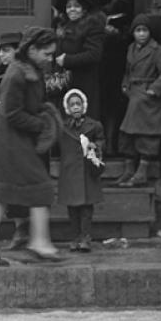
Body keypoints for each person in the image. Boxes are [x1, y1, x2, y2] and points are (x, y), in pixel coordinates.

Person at [0, 27, 62, 265]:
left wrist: (43, 112)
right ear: (32, 50)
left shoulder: (32, 70)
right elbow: (12, 114)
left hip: (13, 137)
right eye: (47, 53)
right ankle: (40, 242)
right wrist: (42, 124)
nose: (50, 58)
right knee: (40, 186)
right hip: (9, 139)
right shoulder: (16, 74)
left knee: (3, 192)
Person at [0, 31, 29, 250]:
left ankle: (31, 232)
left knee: (24, 183)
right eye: (0, 50)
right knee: (6, 184)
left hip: (23, 136)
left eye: (6, 50)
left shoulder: (26, 73)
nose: (2, 54)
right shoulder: (1, 73)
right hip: (5, 134)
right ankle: (20, 229)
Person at [116, 14, 161, 187]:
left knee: (146, 135)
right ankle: (128, 171)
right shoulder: (131, 49)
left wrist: (153, 90)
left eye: (144, 30)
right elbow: (128, 71)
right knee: (127, 133)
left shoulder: (158, 50)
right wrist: (125, 85)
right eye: (138, 30)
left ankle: (141, 173)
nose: (141, 34)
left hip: (148, 98)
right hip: (133, 94)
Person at [87, 0, 132, 155]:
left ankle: (111, 143)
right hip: (91, 59)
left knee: (112, 102)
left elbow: (129, 32)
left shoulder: (118, 5)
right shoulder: (85, 5)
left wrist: (116, 33)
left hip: (112, 59)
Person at [57, 88, 105, 253]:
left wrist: (95, 146)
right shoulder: (62, 127)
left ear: (84, 106)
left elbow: (100, 140)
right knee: (72, 207)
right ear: (67, 108)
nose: (75, 107)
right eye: (72, 105)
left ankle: (86, 237)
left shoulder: (94, 125)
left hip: (86, 172)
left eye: (78, 103)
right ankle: (75, 237)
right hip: (70, 171)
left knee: (86, 208)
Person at [53, 0, 105, 119]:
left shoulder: (93, 27)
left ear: (84, 9)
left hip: (84, 81)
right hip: (66, 82)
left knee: (84, 119)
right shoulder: (63, 27)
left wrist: (67, 60)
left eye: (76, 6)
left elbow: (94, 54)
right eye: (69, 7)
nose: (72, 10)